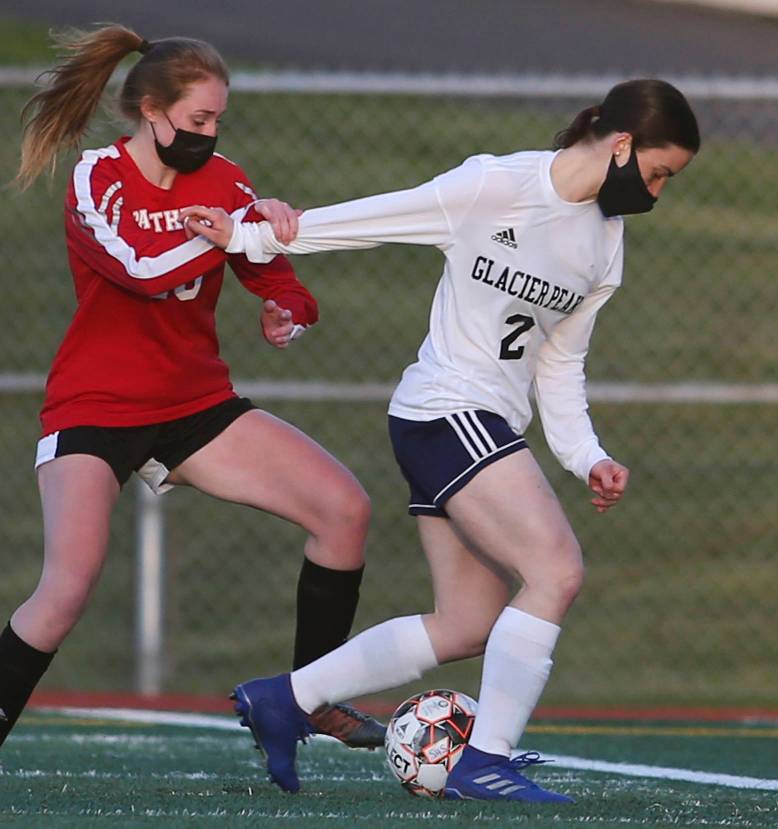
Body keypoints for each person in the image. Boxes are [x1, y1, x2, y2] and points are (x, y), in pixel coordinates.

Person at [181, 79, 700, 801]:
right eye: (657, 173)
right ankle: (486, 757)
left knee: (467, 623)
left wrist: (589, 455)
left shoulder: (606, 242)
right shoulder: (497, 182)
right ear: (620, 144)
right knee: (556, 569)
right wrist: (251, 236)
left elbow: (560, 362)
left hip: (474, 429)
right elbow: (380, 217)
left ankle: (284, 696)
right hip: (446, 412)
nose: (657, 191)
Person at [0, 24, 388, 791]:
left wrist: (289, 310)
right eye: (197, 120)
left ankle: (309, 696)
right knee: (66, 586)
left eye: (217, 121)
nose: (209, 136)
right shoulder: (96, 178)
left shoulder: (226, 181)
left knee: (344, 509)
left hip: (194, 402)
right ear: (150, 110)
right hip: (97, 404)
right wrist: (227, 237)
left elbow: (274, 275)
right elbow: (140, 270)